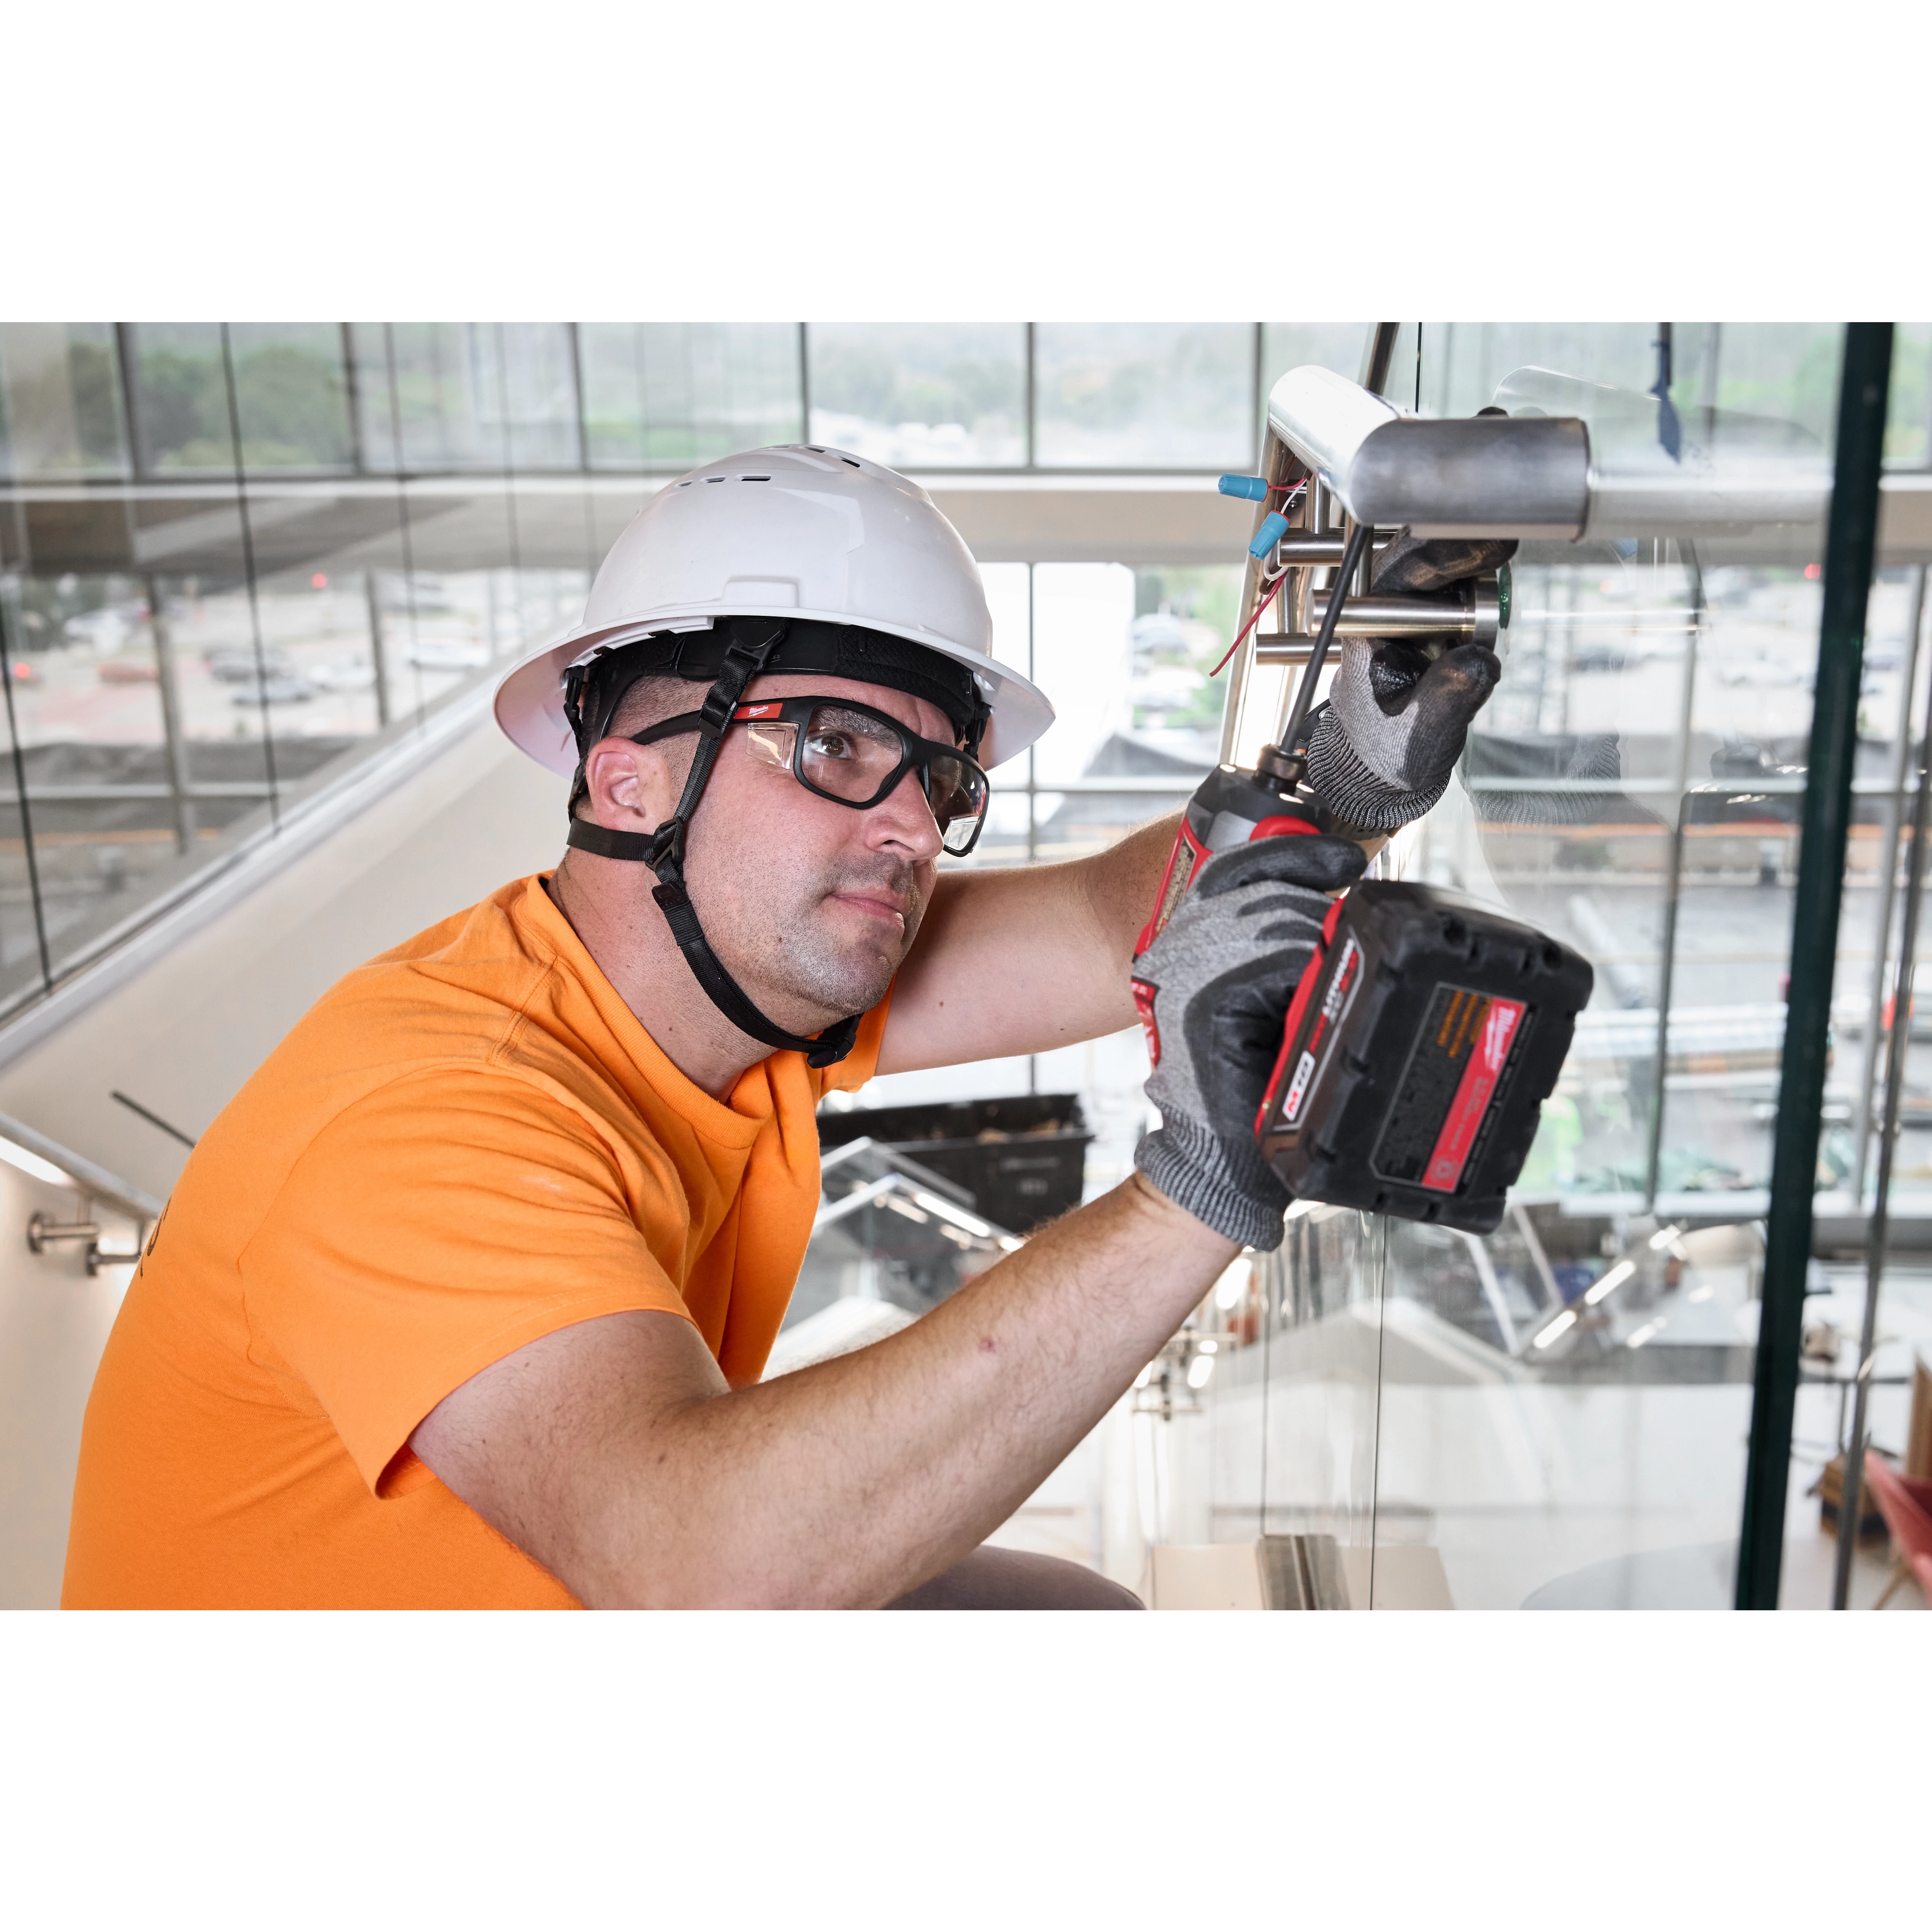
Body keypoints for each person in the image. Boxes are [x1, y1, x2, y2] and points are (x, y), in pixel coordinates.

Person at [62, 446, 1497, 1609]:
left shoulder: (736, 994)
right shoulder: (430, 1115)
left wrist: (1336, 787)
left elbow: (1099, 925)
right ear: (626, 783)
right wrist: (1193, 1189)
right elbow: (705, 1569)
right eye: (835, 747)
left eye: (939, 779)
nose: (907, 828)